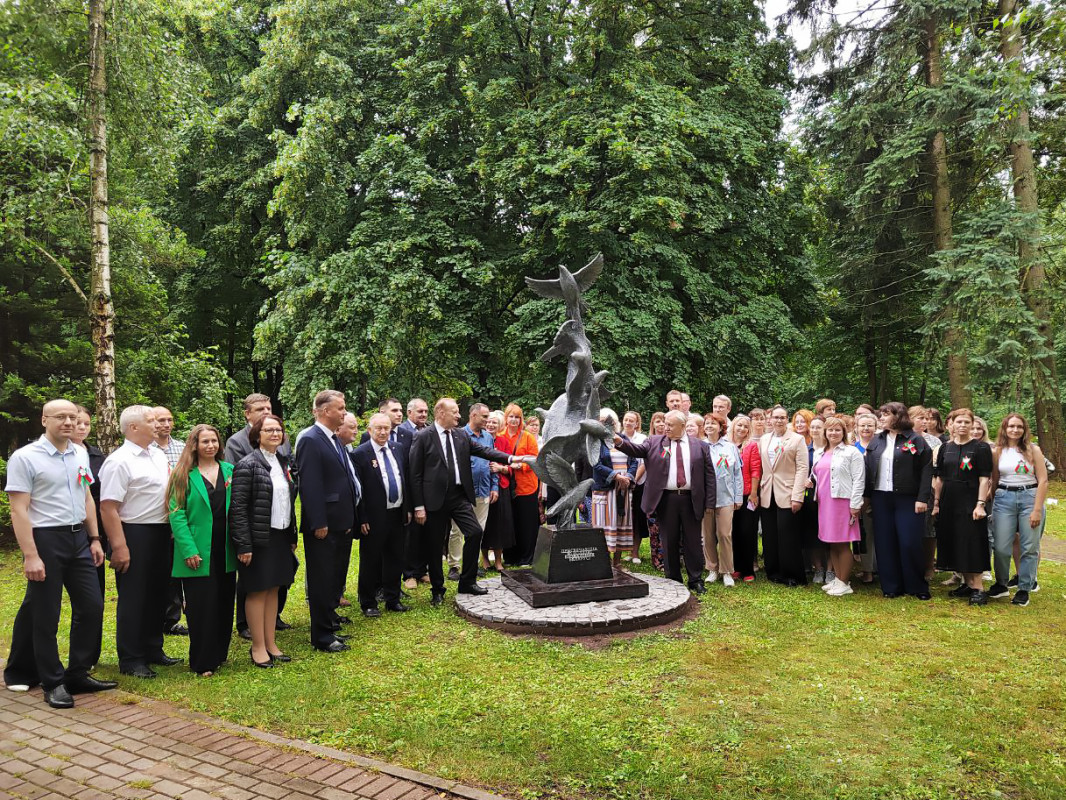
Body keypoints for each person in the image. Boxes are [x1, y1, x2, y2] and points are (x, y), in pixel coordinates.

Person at [3, 400, 114, 707]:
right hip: (45, 540)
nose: (68, 421)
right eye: (60, 417)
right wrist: (31, 555)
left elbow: (87, 498)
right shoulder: (25, 458)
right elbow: (19, 509)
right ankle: (52, 681)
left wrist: (94, 538)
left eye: (72, 417)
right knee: (46, 614)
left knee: (91, 606)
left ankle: (77, 672)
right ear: (44, 420)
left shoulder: (79, 452)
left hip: (79, 538)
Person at [410, 398, 528, 604]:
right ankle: (437, 589)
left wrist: (510, 459)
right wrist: (419, 506)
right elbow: (415, 474)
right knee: (435, 544)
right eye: (454, 412)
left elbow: (485, 451)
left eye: (458, 412)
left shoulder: (460, 435)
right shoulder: (423, 437)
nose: (458, 415)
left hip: (459, 496)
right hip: (434, 500)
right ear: (440, 413)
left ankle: (467, 581)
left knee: (474, 532)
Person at [99, 405, 180, 678]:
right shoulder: (119, 461)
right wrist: (119, 546)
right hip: (133, 533)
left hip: (161, 532)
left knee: (159, 593)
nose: (157, 424)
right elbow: (108, 507)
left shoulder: (157, 455)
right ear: (133, 427)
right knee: (134, 597)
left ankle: (153, 648)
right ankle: (131, 658)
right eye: (151, 421)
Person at [614, 410, 716, 594]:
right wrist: (619, 442)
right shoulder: (654, 442)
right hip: (666, 499)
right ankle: (673, 579)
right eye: (665, 424)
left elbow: (710, 477)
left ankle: (695, 580)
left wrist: (709, 504)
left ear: (683, 426)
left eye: (670, 425)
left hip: (691, 499)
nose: (665, 427)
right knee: (669, 540)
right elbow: (636, 450)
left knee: (693, 541)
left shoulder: (699, 446)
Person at [166, 425, 237, 677]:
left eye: (214, 441)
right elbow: (176, 513)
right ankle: (203, 661)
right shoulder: (183, 474)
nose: (211, 446)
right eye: (205, 441)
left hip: (226, 548)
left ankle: (220, 653)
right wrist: (188, 549)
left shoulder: (229, 470)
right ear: (194, 445)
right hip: (197, 550)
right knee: (201, 605)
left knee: (224, 602)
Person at [295, 390, 362, 652]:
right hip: (323, 525)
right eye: (341, 408)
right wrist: (318, 522)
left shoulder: (334, 439)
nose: (344, 412)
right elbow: (310, 485)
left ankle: (330, 625)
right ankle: (321, 636)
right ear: (324, 411)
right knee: (321, 580)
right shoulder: (311, 440)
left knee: (333, 577)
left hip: (340, 521)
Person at [230, 414, 298, 666]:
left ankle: (271, 642)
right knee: (258, 591)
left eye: (278, 430)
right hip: (258, 539)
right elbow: (237, 508)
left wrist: (291, 533)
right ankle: (258, 647)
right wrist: (244, 545)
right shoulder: (247, 464)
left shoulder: (283, 462)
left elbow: (289, 502)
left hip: (280, 536)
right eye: (268, 430)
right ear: (257, 435)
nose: (274, 434)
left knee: (274, 589)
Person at [864, 402, 933, 600]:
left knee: (909, 542)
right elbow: (869, 470)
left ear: (898, 416)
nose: (881, 418)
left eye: (886, 414)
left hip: (908, 498)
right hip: (881, 497)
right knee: (885, 543)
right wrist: (867, 498)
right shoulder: (877, 440)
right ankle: (891, 586)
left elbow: (926, 471)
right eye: (881, 415)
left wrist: (922, 499)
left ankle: (916, 586)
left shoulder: (915, 440)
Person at [933, 408, 993, 605]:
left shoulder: (980, 448)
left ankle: (978, 588)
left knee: (972, 540)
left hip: (970, 498)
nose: (963, 426)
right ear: (952, 424)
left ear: (972, 425)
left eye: (967, 422)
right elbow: (939, 478)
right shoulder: (945, 448)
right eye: (959, 422)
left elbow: (985, 479)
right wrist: (936, 503)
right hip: (949, 499)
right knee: (955, 540)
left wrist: (980, 504)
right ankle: (967, 583)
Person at [352, 413, 411, 616]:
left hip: (397, 513)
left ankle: (392, 598)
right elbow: (358, 490)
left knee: (396, 557)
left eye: (386, 428)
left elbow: (405, 480)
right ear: (369, 430)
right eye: (379, 428)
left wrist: (408, 509)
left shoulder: (398, 449)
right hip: (374, 516)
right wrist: (362, 518)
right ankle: (368, 602)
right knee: (371, 560)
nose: (383, 432)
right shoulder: (361, 454)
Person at [989, 413, 1047, 607]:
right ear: (1004, 428)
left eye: (1019, 427)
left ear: (1024, 430)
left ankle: (1024, 588)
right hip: (1004, 498)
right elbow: (995, 479)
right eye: (1011, 426)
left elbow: (1043, 480)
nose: (1015, 430)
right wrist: (990, 499)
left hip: (1029, 497)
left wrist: (1037, 509)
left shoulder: (1033, 450)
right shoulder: (998, 451)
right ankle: (1001, 583)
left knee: (1029, 546)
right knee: (1001, 546)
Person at [758, 405, 810, 587]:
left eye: (782, 417)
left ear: (787, 420)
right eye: (775, 417)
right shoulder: (764, 439)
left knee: (787, 535)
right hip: (767, 492)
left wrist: (797, 496)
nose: (778, 420)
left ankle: (792, 575)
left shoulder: (796, 440)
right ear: (770, 419)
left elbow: (803, 468)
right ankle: (773, 571)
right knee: (770, 534)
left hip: (787, 492)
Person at [816, 417, 865, 597]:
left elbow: (859, 479)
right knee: (832, 542)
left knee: (843, 543)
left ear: (844, 433)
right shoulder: (821, 452)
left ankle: (844, 582)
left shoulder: (851, 452)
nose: (833, 433)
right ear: (825, 432)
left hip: (842, 501)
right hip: (825, 502)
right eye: (830, 430)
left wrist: (855, 504)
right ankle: (838, 578)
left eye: (837, 430)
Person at [153, 406, 189, 638]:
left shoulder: (182, 447)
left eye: (169, 420)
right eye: (161, 420)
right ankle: (164, 616)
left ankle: (175, 616)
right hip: (157, 517)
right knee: (164, 571)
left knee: (180, 569)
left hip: (182, 513)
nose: (166, 424)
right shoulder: (148, 450)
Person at [592, 409, 638, 567]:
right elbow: (596, 465)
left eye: (609, 421)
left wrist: (628, 478)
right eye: (602, 421)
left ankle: (616, 563)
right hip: (605, 490)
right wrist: (615, 476)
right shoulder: (595, 441)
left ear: (615, 423)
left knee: (621, 524)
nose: (605, 424)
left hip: (623, 490)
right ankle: (602, 564)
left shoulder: (623, 439)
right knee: (603, 526)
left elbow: (634, 462)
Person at [497, 403, 541, 567]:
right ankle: (510, 557)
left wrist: (519, 466)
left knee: (527, 523)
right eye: (511, 416)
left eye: (517, 417)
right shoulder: (500, 436)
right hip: (506, 485)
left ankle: (527, 557)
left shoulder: (527, 437)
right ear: (506, 418)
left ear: (521, 419)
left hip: (526, 486)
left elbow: (535, 460)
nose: (514, 420)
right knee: (510, 522)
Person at [72, 406, 108, 597]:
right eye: (78, 423)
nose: (82, 427)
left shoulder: (96, 455)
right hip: (65, 525)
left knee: (94, 582)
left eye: (86, 423)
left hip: (94, 524)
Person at [703, 412, 742, 587]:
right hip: (705, 499)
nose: (709, 426)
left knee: (725, 534)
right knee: (708, 535)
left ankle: (726, 571)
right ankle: (712, 568)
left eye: (713, 423)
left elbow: (737, 474)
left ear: (721, 427)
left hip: (726, 497)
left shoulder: (730, 447)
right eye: (706, 423)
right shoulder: (700, 446)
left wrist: (738, 496)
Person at [400, 397, 430, 588]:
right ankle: (409, 573)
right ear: (409, 412)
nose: (424, 415)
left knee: (425, 532)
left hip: (427, 489)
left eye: (426, 411)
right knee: (410, 534)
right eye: (420, 411)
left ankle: (421, 570)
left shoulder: (428, 430)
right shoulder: (402, 432)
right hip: (409, 488)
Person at [728, 414, 761, 583]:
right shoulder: (726, 445)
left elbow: (755, 470)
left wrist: (754, 493)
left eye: (745, 426)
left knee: (747, 532)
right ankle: (736, 567)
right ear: (733, 426)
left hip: (748, 494)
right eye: (739, 425)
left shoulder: (751, 446)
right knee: (733, 532)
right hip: (728, 495)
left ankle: (748, 569)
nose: (742, 429)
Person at [335, 412, 361, 608]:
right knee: (329, 567)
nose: (356, 431)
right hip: (333, 519)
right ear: (338, 428)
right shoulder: (315, 441)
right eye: (352, 427)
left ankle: (336, 599)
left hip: (348, 516)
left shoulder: (347, 448)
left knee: (341, 563)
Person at [482, 410, 513, 569]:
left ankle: (499, 560)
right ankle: (485, 558)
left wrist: (500, 468)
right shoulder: (479, 440)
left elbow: (511, 467)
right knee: (484, 523)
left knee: (500, 524)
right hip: (483, 486)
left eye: (494, 422)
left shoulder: (504, 442)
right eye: (488, 421)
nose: (491, 424)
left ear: (500, 425)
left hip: (502, 487)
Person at [852, 413, 879, 583]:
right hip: (861, 497)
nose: (866, 428)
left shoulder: (881, 446)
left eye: (869, 425)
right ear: (857, 428)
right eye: (862, 425)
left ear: (876, 428)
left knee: (881, 534)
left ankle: (881, 568)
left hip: (879, 496)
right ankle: (867, 570)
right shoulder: (852, 448)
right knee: (866, 534)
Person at [803, 416, 829, 584]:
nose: (814, 430)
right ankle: (818, 568)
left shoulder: (831, 450)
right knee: (812, 533)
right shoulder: (806, 450)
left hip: (829, 498)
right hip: (811, 499)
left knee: (829, 534)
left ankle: (831, 569)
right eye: (812, 427)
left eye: (818, 427)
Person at [622, 411, 648, 564]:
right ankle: (625, 550)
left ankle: (635, 552)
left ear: (637, 423)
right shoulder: (618, 437)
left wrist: (633, 479)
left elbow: (644, 462)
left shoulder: (642, 439)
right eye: (625, 419)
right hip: (620, 482)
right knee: (625, 518)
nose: (628, 422)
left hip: (638, 483)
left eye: (631, 420)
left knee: (637, 518)